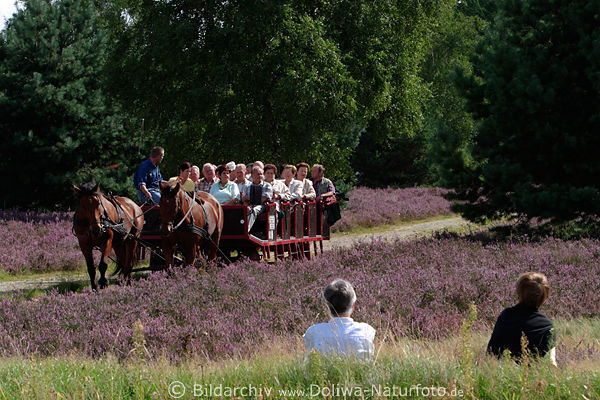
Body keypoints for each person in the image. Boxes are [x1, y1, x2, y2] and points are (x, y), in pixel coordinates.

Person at [487, 272, 557, 366]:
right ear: (544, 298)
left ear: (519, 293)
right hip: (533, 377)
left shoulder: (506, 316)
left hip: (503, 376)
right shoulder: (548, 326)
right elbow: (551, 362)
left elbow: (491, 352)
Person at [303, 279, 376, 359]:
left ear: (326, 306)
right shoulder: (367, 331)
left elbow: (308, 361)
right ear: (353, 305)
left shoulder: (314, 332)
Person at [242, 166, 273, 233]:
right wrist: (246, 205)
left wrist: (249, 197)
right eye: (257, 174)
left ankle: (246, 231)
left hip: (262, 206)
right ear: (252, 175)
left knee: (254, 210)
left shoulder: (267, 185)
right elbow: (243, 199)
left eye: (261, 174)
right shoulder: (247, 186)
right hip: (250, 205)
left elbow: (264, 199)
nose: (259, 176)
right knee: (243, 210)